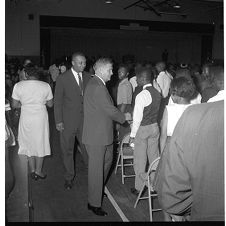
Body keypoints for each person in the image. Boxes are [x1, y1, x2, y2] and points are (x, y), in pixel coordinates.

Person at [155, 100, 224, 221]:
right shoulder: (196, 106)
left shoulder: (193, 112)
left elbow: (163, 135)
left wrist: (161, 156)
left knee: (165, 185)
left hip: (175, 148)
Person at [82, 58, 131, 216]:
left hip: (103, 134)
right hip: (96, 137)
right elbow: (109, 109)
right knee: (97, 170)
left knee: (107, 163)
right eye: (110, 70)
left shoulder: (98, 85)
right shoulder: (97, 86)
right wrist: (125, 117)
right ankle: (94, 203)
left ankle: (96, 190)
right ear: (102, 70)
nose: (112, 73)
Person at [54, 52, 90, 190]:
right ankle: (69, 177)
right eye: (80, 62)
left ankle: (92, 176)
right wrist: (58, 121)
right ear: (73, 63)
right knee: (67, 151)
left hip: (85, 122)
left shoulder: (88, 77)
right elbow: (57, 102)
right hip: (67, 122)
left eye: (85, 62)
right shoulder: (63, 78)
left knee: (88, 150)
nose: (83, 65)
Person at [11, 66, 53, 180]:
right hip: (40, 117)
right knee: (41, 142)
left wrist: (25, 105)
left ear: (26, 74)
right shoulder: (45, 86)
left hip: (26, 116)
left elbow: (14, 105)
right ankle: (39, 171)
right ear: (38, 74)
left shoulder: (18, 86)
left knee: (28, 142)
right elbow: (50, 104)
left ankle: (32, 170)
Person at [129, 67, 161, 196]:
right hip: (155, 127)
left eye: (137, 77)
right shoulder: (158, 91)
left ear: (142, 79)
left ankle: (139, 187)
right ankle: (155, 183)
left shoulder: (141, 95)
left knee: (140, 159)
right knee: (154, 157)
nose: (136, 79)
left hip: (143, 128)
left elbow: (137, 119)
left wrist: (132, 135)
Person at [116, 64, 133, 141]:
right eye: (119, 72)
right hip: (125, 109)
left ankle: (122, 152)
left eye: (122, 72)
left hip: (124, 110)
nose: (119, 73)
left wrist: (119, 120)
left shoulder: (124, 85)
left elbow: (124, 103)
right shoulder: (125, 83)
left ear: (127, 74)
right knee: (125, 136)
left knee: (123, 136)